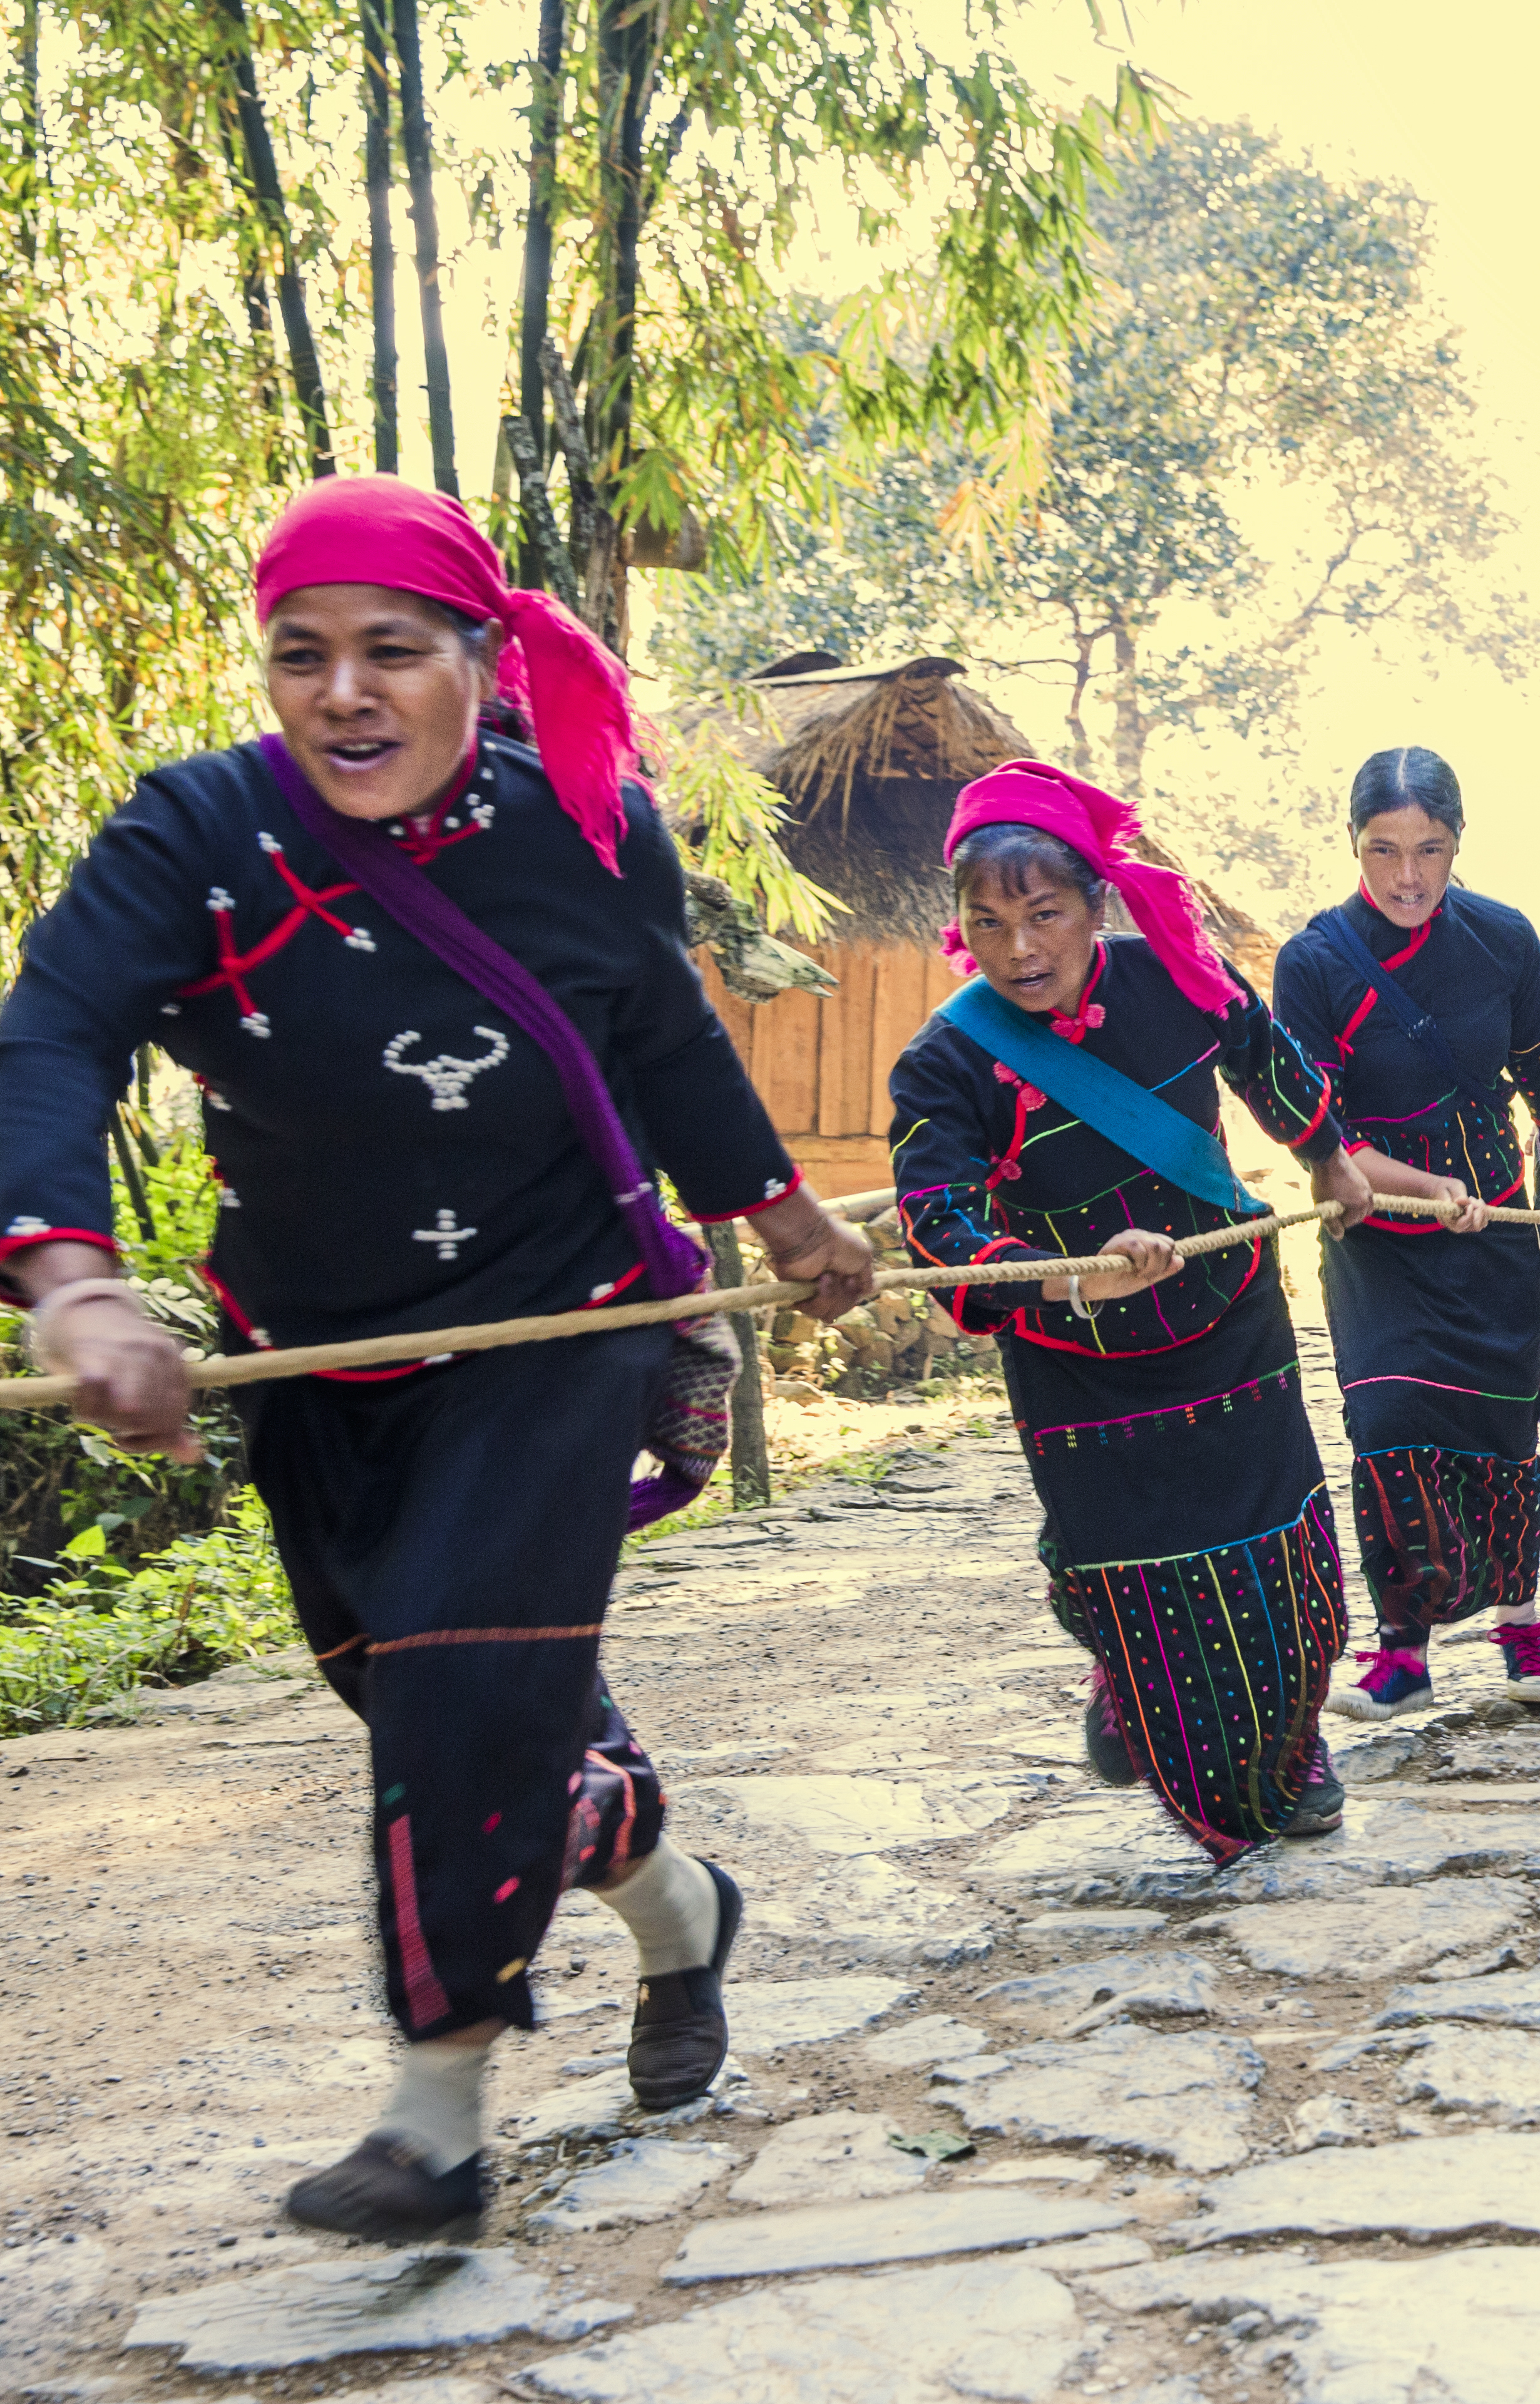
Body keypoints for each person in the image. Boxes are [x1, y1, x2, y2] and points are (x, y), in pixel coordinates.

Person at [0, 476, 875, 2241]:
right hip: (312, 1354)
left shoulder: (591, 828)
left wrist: (780, 1216)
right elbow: (56, 1027)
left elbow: (669, 1037)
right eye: (301, 657)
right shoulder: (197, 839)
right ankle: (680, 1907)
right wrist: (72, 1279)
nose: (343, 694)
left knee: (466, 1688)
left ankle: (437, 2116)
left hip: (555, 1320)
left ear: (481, 658)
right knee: (423, 1704)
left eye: (392, 652)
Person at [890, 764, 1375, 1861]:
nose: (1020, 949)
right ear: (961, 925)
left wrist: (1328, 1159)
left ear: (1095, 907)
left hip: (1227, 1316)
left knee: (1276, 1560)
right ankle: (1134, 1688)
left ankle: (1297, 1752)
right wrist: (1062, 1273)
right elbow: (936, 1220)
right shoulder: (947, 1060)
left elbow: (1263, 1052)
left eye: (1045, 915)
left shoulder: (1175, 981)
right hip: (1078, 1363)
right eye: (990, 921)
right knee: (1132, 1578)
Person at [1273, 747, 1540, 1718]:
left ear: (1458, 843)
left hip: (1497, 1234)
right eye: (1383, 849)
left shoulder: (1506, 942)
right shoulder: (1311, 963)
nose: (1407, 876)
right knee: (1390, 1429)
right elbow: (1322, 1139)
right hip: (1377, 1242)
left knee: (1497, 1435)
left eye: (1429, 849)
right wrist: (1423, 1186)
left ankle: (1521, 1628)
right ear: (1352, 845)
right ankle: (1403, 1650)